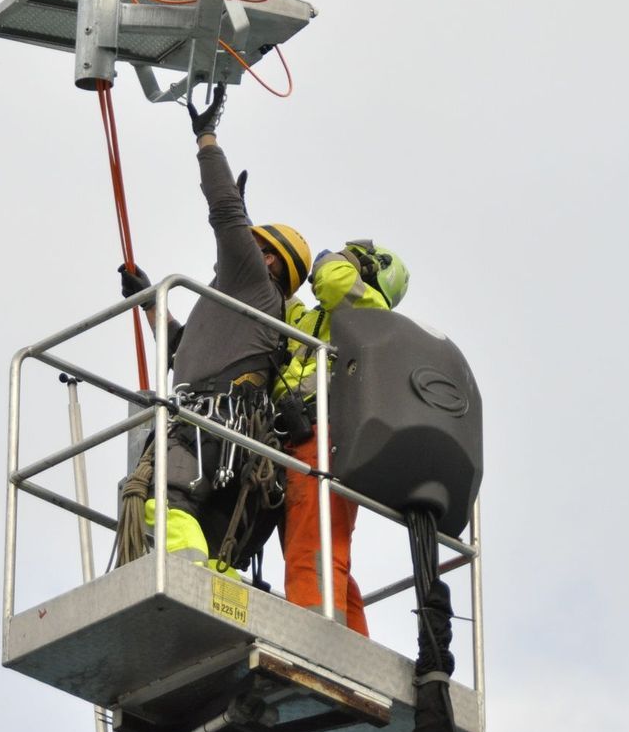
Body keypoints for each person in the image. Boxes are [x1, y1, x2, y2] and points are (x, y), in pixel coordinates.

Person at [118, 87, 312, 573]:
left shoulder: (254, 281)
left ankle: (185, 582)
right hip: (215, 433)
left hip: (210, 428)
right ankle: (204, 587)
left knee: (162, 504)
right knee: (199, 532)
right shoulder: (237, 305)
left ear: (268, 259)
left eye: (251, 245)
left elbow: (225, 210)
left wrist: (206, 138)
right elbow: (184, 352)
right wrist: (149, 304)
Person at [272, 239, 412, 633]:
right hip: (298, 436)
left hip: (325, 436)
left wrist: (332, 260)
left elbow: (334, 281)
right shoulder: (320, 321)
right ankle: (351, 638)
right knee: (321, 545)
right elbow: (283, 308)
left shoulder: (370, 310)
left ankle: (315, 635)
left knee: (312, 544)